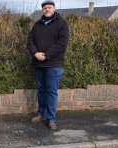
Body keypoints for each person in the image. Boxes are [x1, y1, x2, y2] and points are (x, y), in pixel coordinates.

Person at [27, 0, 70, 130]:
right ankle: (41, 114)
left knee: (51, 92)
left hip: (54, 64)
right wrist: (35, 54)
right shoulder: (37, 25)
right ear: (42, 10)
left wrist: (46, 54)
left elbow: (62, 43)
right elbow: (30, 42)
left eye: (49, 7)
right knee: (41, 90)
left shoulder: (62, 24)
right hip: (38, 64)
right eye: (45, 8)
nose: (47, 9)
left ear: (54, 8)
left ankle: (51, 119)